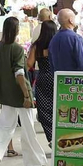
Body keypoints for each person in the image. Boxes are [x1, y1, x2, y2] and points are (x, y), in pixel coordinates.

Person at [0, 17, 47, 166]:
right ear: (16, 30)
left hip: (5, 92)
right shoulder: (17, 49)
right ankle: (34, 161)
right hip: (19, 93)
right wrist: (27, 95)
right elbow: (19, 73)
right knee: (27, 127)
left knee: (4, 124)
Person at [31, 8, 59, 141]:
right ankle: (61, 137)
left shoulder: (37, 46)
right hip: (58, 79)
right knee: (60, 108)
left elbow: (28, 64)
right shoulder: (57, 45)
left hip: (43, 78)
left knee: (44, 111)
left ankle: (51, 138)